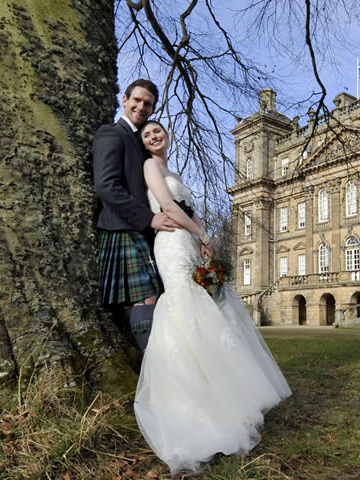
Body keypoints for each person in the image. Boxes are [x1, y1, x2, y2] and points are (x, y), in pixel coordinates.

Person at [133, 120, 291, 474]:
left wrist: (204, 240)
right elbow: (167, 207)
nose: (154, 137)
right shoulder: (150, 166)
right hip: (172, 243)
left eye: (158, 131)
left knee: (206, 310)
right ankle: (191, 403)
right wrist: (200, 233)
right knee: (185, 309)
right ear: (144, 142)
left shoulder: (173, 169)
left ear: (167, 135)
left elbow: (189, 208)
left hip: (188, 241)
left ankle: (219, 399)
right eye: (147, 134)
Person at [93, 79, 181, 350]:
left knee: (159, 297)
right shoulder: (111, 133)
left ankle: (161, 368)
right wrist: (148, 218)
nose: (141, 107)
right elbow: (106, 186)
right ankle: (153, 371)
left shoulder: (142, 142)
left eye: (148, 104)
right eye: (137, 100)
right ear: (125, 99)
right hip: (123, 229)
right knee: (147, 298)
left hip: (145, 233)